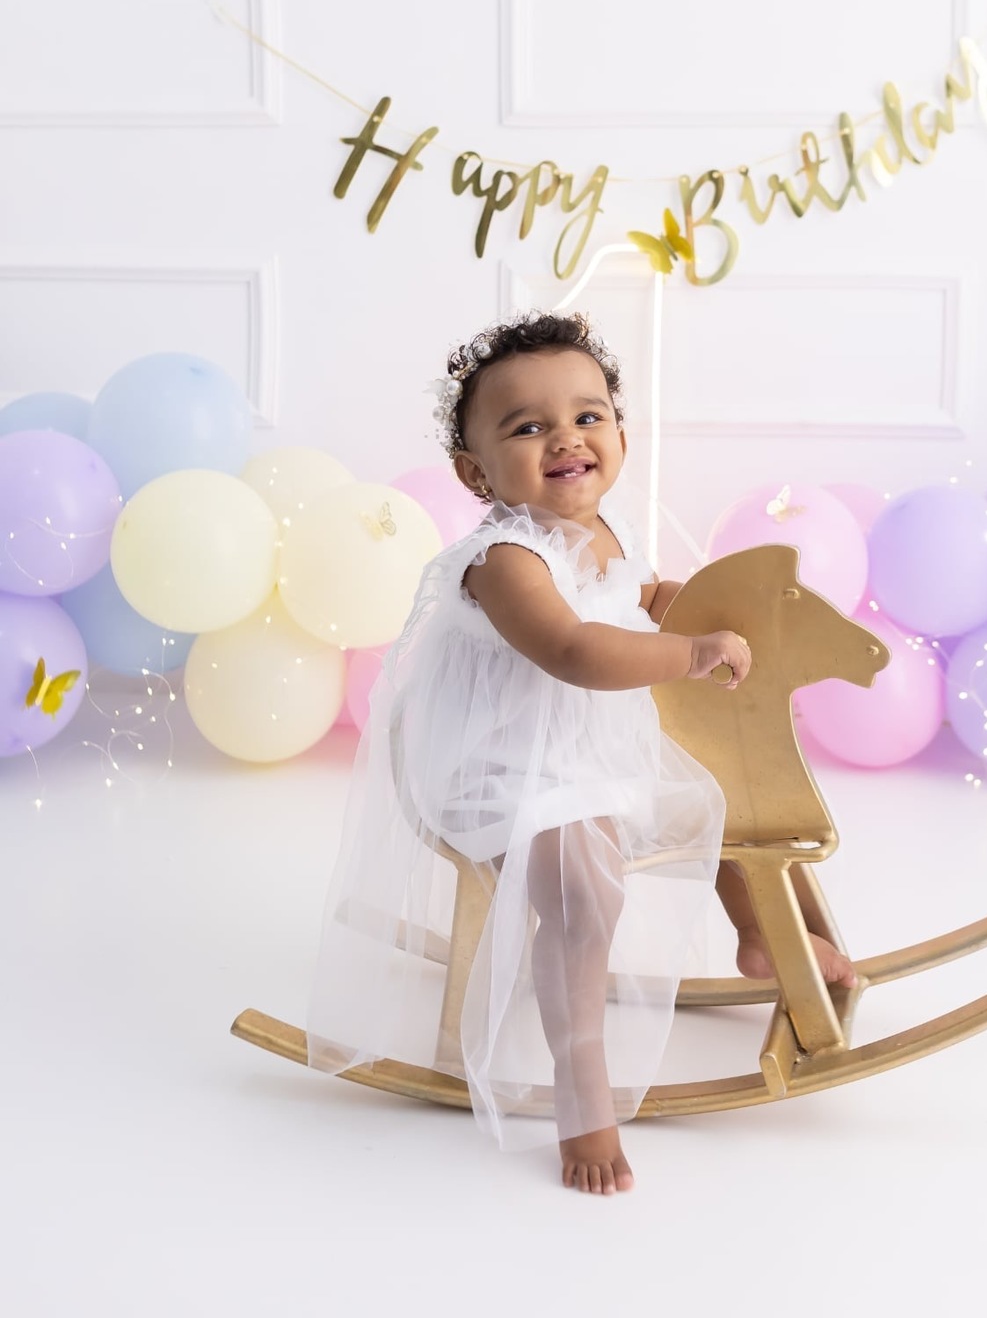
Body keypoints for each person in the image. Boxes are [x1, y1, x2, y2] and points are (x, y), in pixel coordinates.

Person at [306, 311, 854, 1194]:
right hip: (502, 768)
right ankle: (583, 1085)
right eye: (528, 427)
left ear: (621, 437)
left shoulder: (608, 532)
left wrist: (689, 602)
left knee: (716, 793)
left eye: (588, 416)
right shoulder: (504, 560)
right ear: (475, 472)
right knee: (583, 883)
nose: (566, 437)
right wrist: (687, 653)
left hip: (594, 744)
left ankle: (757, 936)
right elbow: (571, 648)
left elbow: (639, 593)